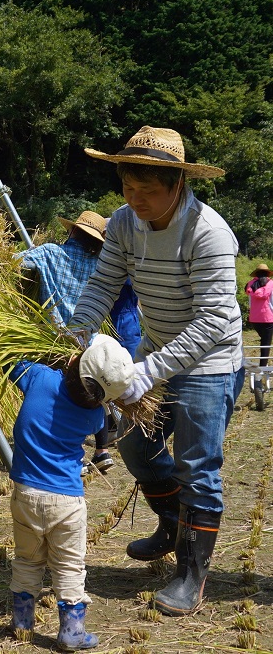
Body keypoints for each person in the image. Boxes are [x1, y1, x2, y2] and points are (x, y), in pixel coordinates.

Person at [72, 126, 244, 617]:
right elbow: (104, 281)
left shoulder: (207, 231)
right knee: (134, 444)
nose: (136, 200)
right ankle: (172, 520)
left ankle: (192, 573)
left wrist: (149, 372)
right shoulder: (124, 222)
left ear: (178, 187)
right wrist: (76, 333)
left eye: (149, 191)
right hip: (157, 348)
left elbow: (214, 319)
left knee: (196, 465)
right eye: (129, 189)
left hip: (209, 360)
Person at [7, 335, 135, 651]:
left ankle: (22, 622)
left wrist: (43, 348)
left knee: (27, 558)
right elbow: (102, 422)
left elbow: (10, 362)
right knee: (68, 566)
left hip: (25, 494)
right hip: (66, 502)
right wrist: (103, 449)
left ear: (74, 362)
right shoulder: (93, 416)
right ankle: (71, 632)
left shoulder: (40, 377)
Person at [17, 212, 139, 474]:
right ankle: (102, 451)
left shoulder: (50, 253)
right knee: (94, 393)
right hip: (89, 341)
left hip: (54, 340)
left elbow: (17, 263)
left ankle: (69, 455)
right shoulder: (99, 263)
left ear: (73, 232)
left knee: (60, 395)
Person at [245, 263, 273, 367]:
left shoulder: (250, 284)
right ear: (267, 273)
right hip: (268, 318)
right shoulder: (271, 284)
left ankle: (261, 367)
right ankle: (262, 369)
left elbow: (250, 301)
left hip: (254, 318)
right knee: (266, 344)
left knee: (263, 341)